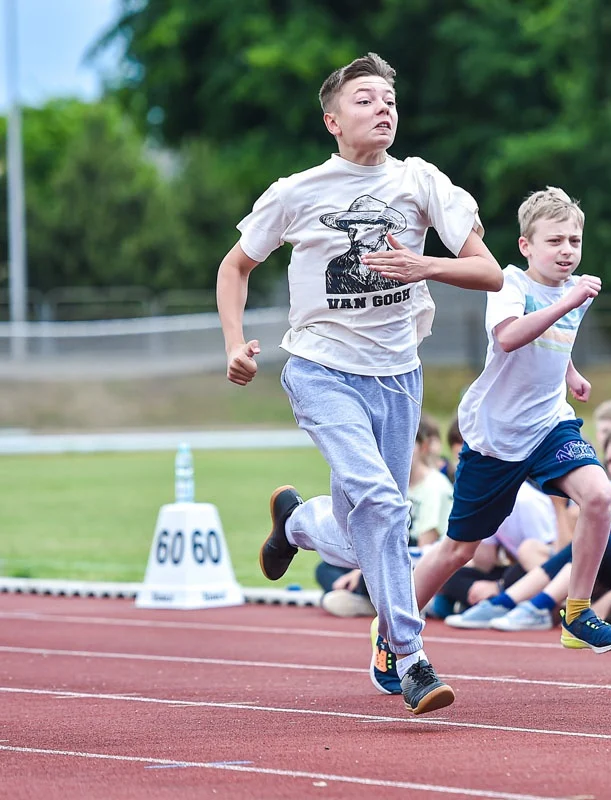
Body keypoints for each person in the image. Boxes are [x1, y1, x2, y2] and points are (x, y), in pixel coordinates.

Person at [216, 53, 502, 715]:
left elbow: (489, 273)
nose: (383, 108)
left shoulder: (423, 183)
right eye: (366, 99)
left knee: (369, 521)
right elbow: (235, 266)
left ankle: (298, 522)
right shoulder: (297, 192)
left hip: (399, 376)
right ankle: (411, 658)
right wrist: (235, 343)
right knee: (383, 502)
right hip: (320, 369)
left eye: (390, 101)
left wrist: (419, 264)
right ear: (332, 120)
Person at [409, 186, 611, 654]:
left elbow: (555, 342)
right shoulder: (508, 283)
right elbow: (510, 338)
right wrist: (567, 303)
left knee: (598, 496)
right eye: (554, 241)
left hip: (550, 424)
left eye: (574, 241)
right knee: (460, 549)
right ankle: (395, 626)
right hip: (497, 435)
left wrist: (571, 375)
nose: (567, 250)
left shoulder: (576, 291)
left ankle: (578, 613)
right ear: (526, 246)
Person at [445, 426, 611, 632]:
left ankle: (534, 606)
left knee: (599, 544)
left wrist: (610, 600)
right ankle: (511, 603)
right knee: (571, 550)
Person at [316, 421, 452, 618]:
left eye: (405, 445)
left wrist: (364, 571)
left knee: (373, 574)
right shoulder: (390, 483)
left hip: (413, 556)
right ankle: (373, 601)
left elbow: (425, 548)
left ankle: (375, 598)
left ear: (422, 448)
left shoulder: (435, 486)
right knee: (326, 567)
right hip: (384, 552)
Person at [428, 480, 559, 618]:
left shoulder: (527, 501)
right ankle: (490, 601)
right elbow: (484, 563)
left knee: (527, 552)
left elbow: (547, 560)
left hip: (541, 573)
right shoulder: (487, 500)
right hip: (512, 571)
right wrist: (476, 518)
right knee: (452, 574)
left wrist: (499, 586)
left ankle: (496, 600)